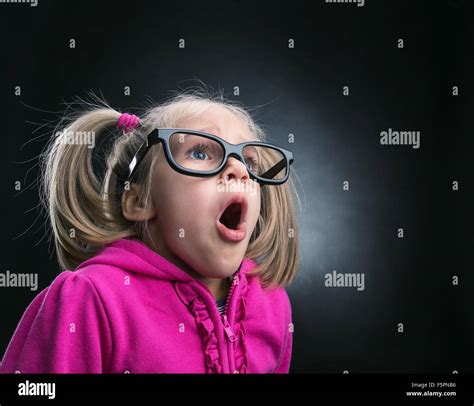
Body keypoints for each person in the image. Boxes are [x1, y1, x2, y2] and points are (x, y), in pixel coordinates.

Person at [0, 88, 300, 373]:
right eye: (199, 152)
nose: (239, 170)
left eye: (249, 161)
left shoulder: (272, 303)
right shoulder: (92, 299)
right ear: (139, 201)